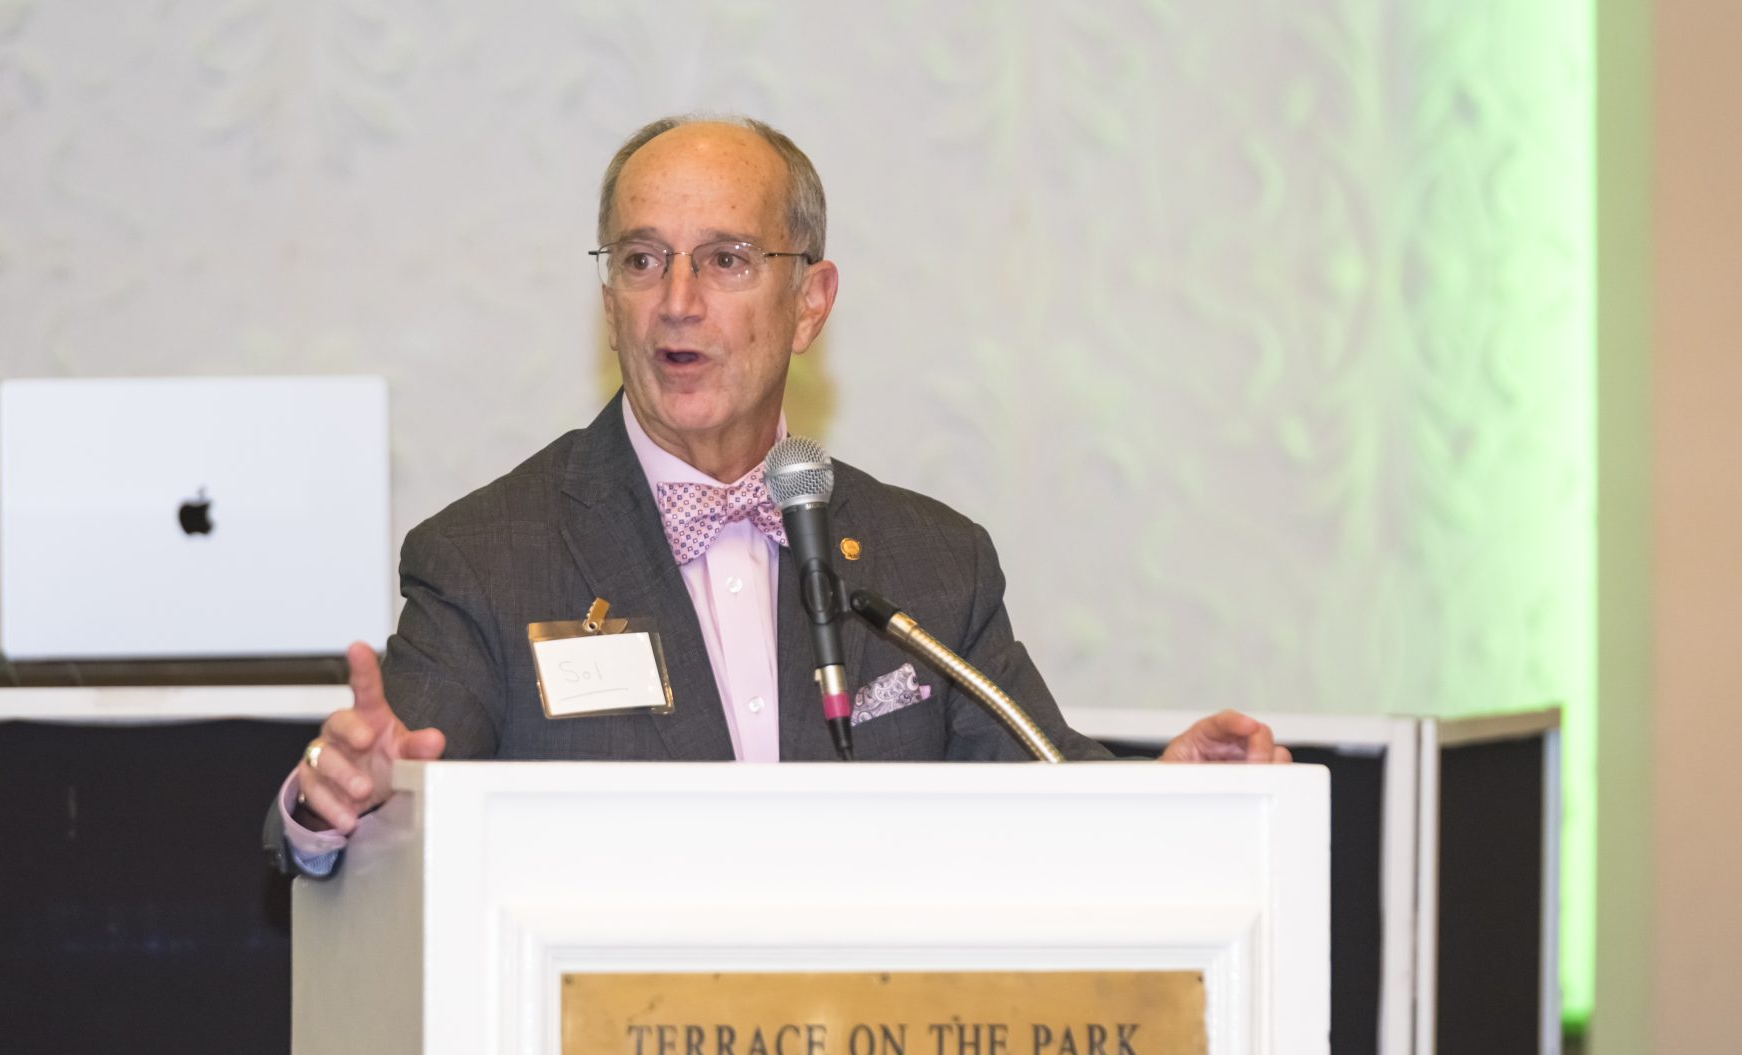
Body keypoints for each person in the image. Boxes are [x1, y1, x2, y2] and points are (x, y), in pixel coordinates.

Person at [267, 114, 1287, 878]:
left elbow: (1047, 791)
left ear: (810, 303)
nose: (678, 302)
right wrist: (335, 801)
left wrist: (1170, 797)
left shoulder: (932, 562)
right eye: (642, 260)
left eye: (726, 260)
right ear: (610, 302)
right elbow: (369, 804)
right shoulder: (488, 557)